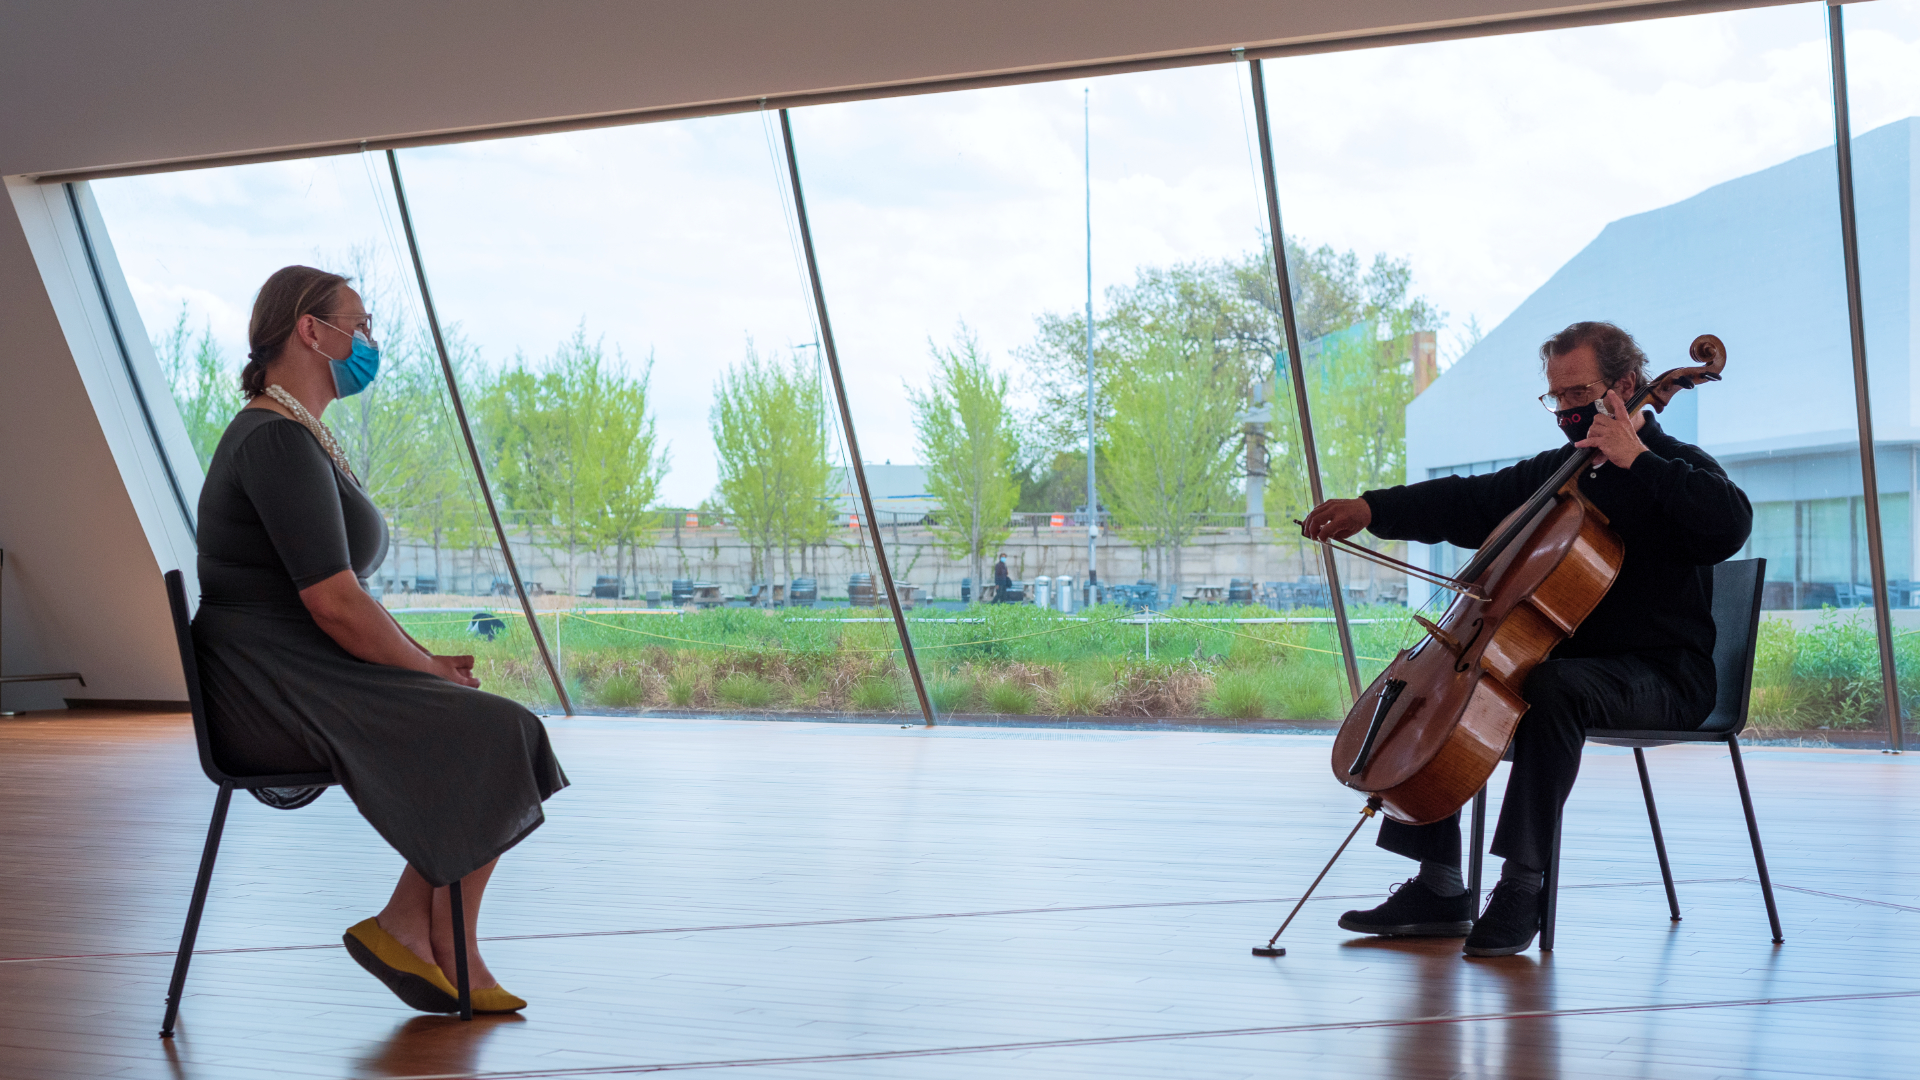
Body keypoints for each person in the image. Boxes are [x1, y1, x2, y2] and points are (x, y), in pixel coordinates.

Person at [1300, 321, 1750, 957]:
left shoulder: (1675, 467)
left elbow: (1728, 526)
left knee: (1550, 687)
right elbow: (1470, 501)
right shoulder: (1563, 473)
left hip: (1664, 676)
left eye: (1579, 393)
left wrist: (1638, 460)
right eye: (1556, 397)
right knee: (1468, 692)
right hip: (1569, 670)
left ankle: (1522, 886)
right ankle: (1440, 886)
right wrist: (1372, 510)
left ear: (1626, 386)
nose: (1566, 409)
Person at [192, 265, 567, 1012]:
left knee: (493, 729)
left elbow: (345, 594)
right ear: (311, 331)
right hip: (275, 690)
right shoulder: (274, 440)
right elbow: (332, 601)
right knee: (501, 732)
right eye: (358, 326)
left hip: (296, 674)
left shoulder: (294, 432)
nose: (368, 342)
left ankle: (423, 933)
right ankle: (427, 937)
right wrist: (422, 667)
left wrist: (423, 665)